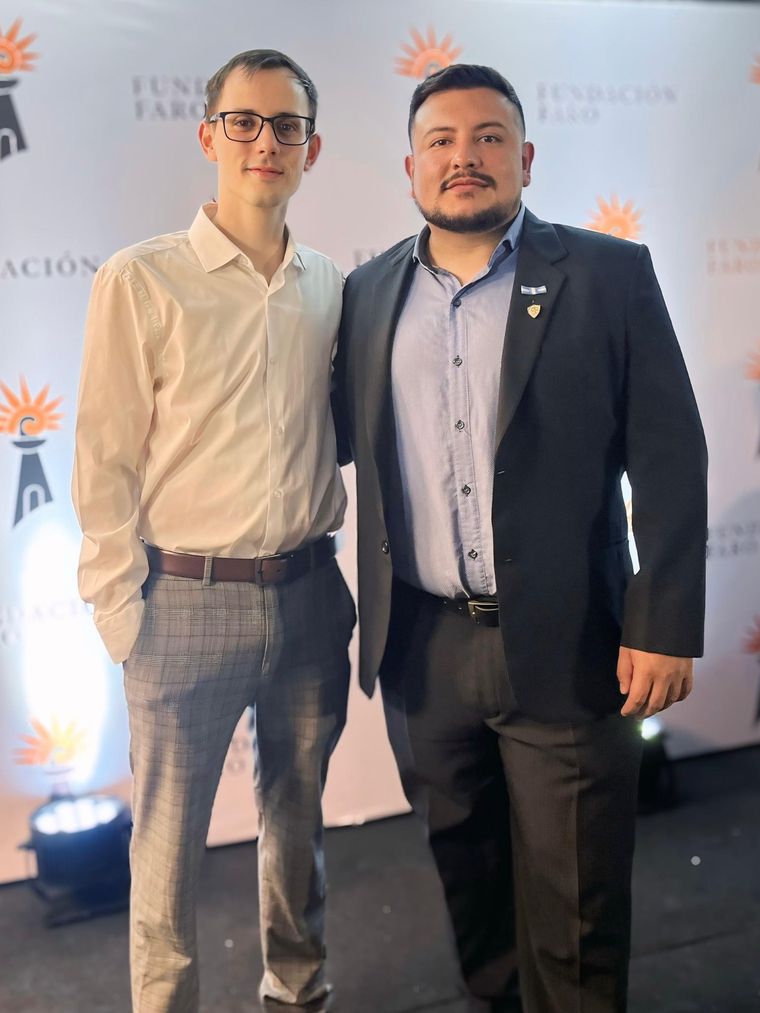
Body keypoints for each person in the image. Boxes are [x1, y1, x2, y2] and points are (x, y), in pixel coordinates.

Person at [334, 64, 707, 1013]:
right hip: (422, 648)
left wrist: (661, 621)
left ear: (527, 158)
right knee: (471, 883)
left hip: (573, 640)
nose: (466, 157)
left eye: (490, 137)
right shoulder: (364, 294)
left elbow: (669, 457)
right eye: (443, 142)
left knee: (577, 900)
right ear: (410, 168)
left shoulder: (609, 274)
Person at [72, 49, 354, 1013]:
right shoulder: (141, 279)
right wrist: (123, 615)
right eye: (245, 121)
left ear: (311, 149)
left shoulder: (329, 284)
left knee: (298, 831)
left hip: (313, 596)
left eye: (287, 126)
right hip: (181, 604)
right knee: (167, 852)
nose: (266, 142)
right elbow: (102, 458)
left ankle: (298, 991)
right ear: (209, 136)